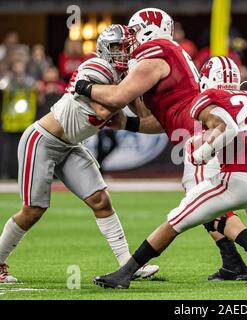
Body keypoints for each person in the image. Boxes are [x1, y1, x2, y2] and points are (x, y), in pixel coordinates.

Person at [75, 8, 247, 282]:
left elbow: (118, 97)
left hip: (201, 132)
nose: (131, 42)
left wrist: (83, 86)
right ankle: (236, 261)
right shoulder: (165, 56)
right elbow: (157, 120)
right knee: (206, 199)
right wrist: (126, 123)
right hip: (193, 129)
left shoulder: (157, 52)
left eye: (134, 34)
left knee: (199, 201)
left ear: (148, 31)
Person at [0, 25, 159, 283]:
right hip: (43, 140)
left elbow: (140, 116)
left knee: (101, 200)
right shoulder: (95, 66)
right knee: (33, 210)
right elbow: (103, 110)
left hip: (70, 145)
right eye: (119, 47)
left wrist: (133, 88)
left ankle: (128, 266)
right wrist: (127, 90)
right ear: (105, 48)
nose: (124, 53)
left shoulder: (124, 77)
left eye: (128, 47)